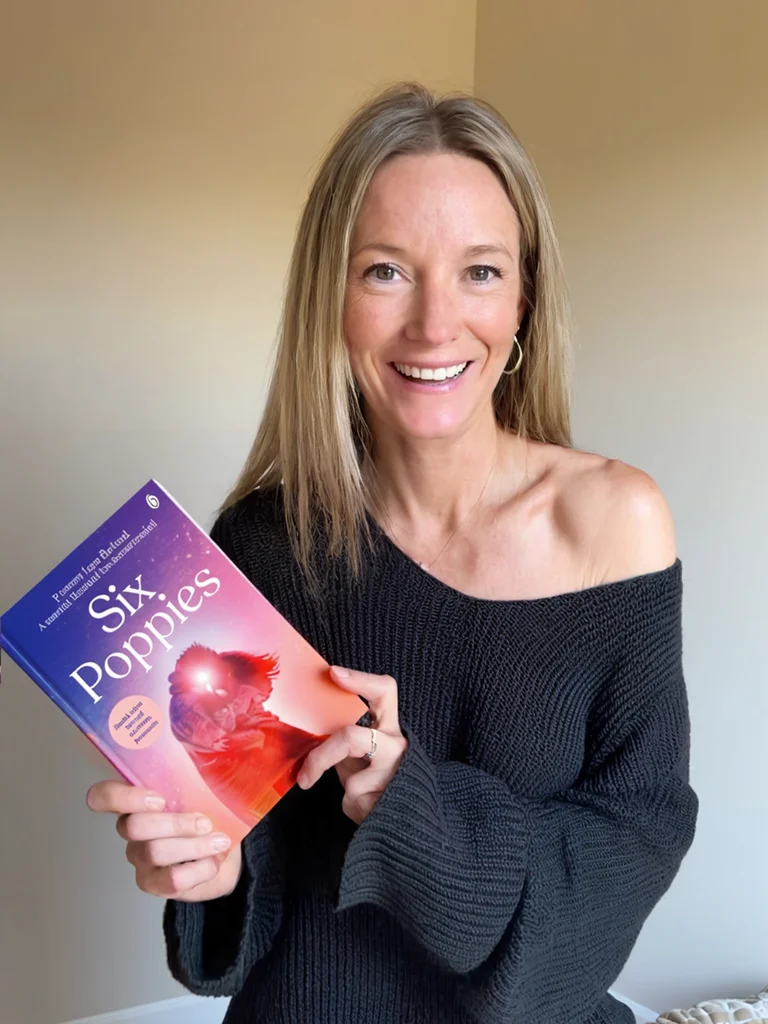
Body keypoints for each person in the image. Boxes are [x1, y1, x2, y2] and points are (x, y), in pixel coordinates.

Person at [86, 81, 698, 1023]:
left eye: (481, 271)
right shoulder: (263, 543)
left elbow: (635, 838)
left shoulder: (616, 524)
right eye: (385, 271)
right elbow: (260, 872)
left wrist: (415, 817)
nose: (435, 324)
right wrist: (212, 873)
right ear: (330, 299)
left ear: (526, 297)